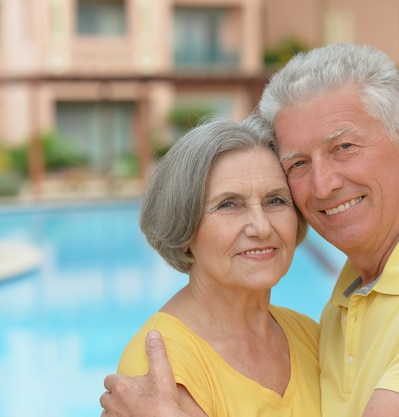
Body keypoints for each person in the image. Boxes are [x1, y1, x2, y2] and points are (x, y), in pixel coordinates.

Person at [101, 43, 399, 417]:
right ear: (185, 228)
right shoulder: (335, 316)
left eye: (344, 147)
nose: (323, 184)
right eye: (298, 164)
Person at [108, 115, 321, 417]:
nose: (261, 227)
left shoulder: (310, 336)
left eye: (275, 200)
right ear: (184, 230)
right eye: (228, 204)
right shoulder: (158, 366)